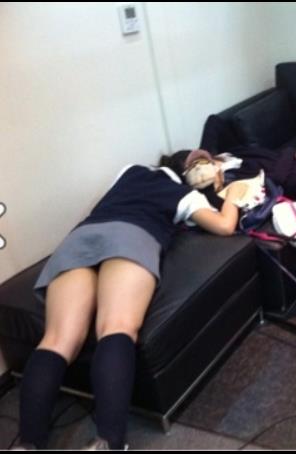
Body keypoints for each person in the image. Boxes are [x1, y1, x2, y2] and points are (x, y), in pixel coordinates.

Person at [15, 155, 247, 450]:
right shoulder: (185, 195)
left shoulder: (129, 171)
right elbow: (225, 226)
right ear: (186, 172)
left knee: (57, 340)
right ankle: (109, 443)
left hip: (80, 237)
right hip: (132, 236)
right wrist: (233, 195)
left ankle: (27, 444)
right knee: (117, 327)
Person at [161, 146, 296, 215]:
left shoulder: (232, 153)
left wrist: (208, 154)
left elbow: (214, 121)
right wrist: (289, 153)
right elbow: (275, 178)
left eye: (201, 160)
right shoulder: (229, 181)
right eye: (196, 167)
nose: (202, 165)